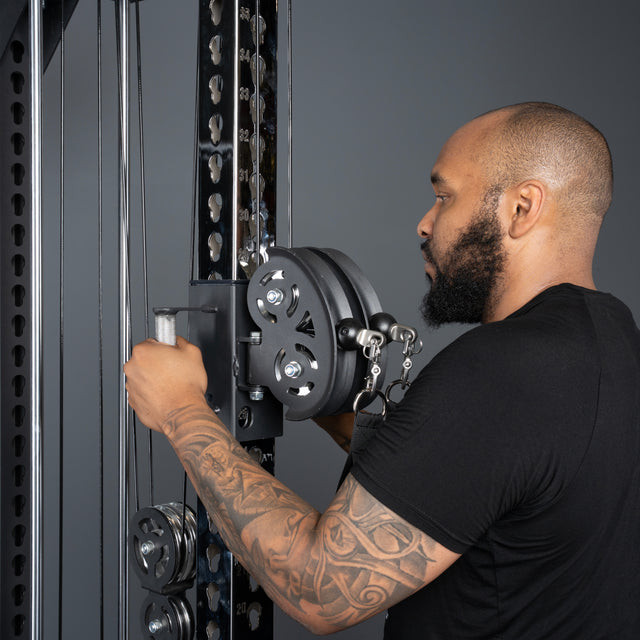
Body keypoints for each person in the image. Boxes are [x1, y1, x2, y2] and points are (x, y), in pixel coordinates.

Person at [124, 102, 640, 638]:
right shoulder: (612, 343)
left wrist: (180, 410)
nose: (425, 221)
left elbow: (320, 589)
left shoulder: (500, 371)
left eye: (444, 197)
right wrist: (320, 392)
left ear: (521, 208)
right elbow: (462, 482)